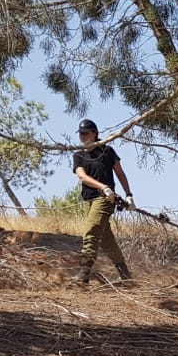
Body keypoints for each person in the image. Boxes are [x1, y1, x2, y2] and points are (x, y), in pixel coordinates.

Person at [71, 119, 134, 283]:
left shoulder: (107, 151)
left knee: (91, 231)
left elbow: (120, 173)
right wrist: (103, 186)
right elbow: (82, 176)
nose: (82, 136)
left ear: (94, 133)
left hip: (105, 199)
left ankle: (84, 274)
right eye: (80, 134)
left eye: (85, 133)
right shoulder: (78, 155)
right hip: (88, 200)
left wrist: (128, 195)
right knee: (106, 240)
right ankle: (125, 275)